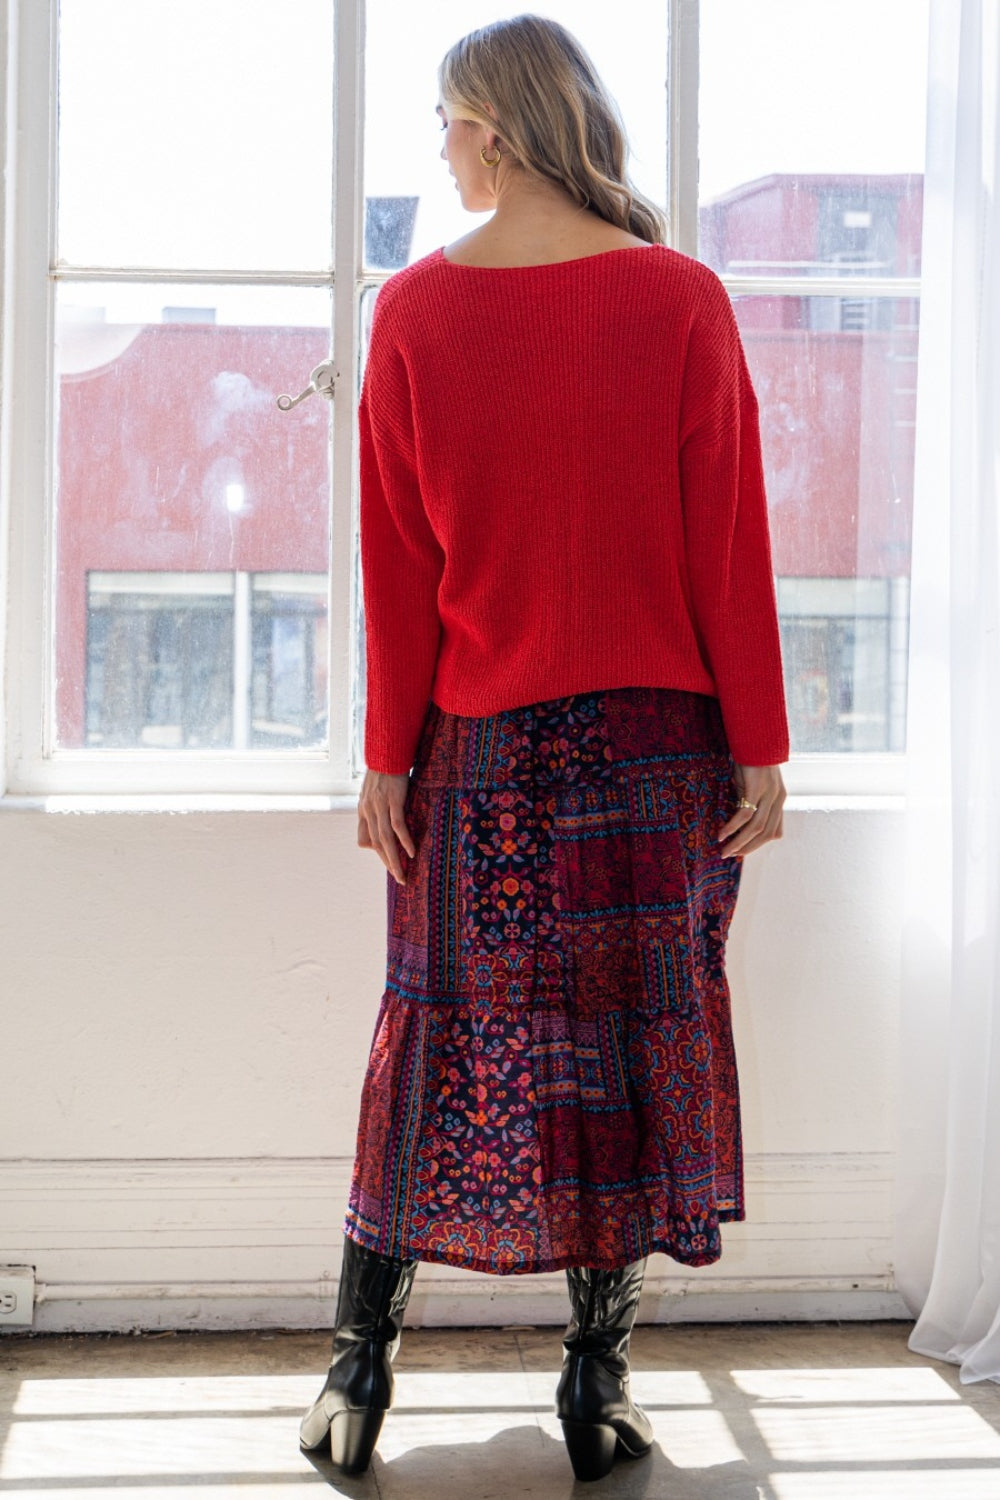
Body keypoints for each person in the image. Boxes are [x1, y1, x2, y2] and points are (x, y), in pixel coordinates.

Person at [300, 12, 788, 1485]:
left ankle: (356, 1374)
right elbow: (729, 547)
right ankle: (598, 1385)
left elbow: (397, 566)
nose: (440, 148)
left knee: (439, 1036)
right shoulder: (682, 299)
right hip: (656, 750)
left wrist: (389, 755)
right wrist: (759, 744)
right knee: (625, 1050)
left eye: (446, 122)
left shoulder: (415, 314)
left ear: (498, 130)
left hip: (482, 754)